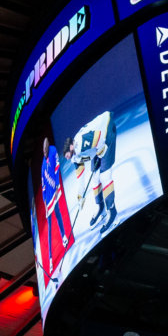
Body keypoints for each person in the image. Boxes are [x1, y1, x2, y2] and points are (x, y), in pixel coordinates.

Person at [65, 110, 118, 233]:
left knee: (105, 176)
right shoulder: (74, 157)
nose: (67, 158)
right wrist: (80, 196)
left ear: (71, 147)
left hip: (106, 131)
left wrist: (101, 150)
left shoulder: (80, 142)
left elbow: (99, 136)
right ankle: (101, 208)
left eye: (67, 155)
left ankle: (112, 211)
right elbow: (81, 178)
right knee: (95, 178)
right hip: (96, 145)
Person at [38, 136, 72, 281]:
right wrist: (45, 202)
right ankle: (50, 259)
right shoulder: (41, 165)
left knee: (58, 214)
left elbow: (57, 166)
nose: (45, 152)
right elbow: (43, 186)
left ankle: (64, 237)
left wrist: (58, 184)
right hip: (49, 196)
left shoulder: (52, 150)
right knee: (50, 225)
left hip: (55, 190)